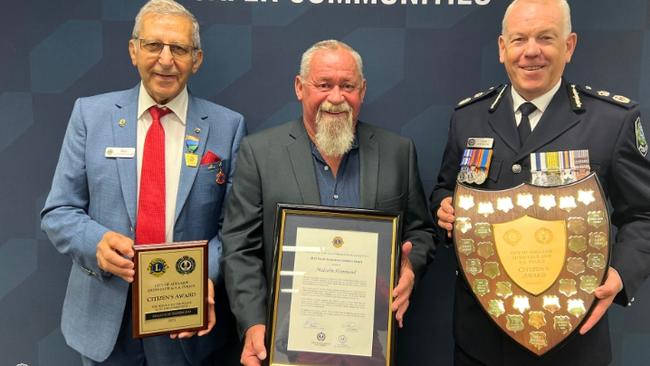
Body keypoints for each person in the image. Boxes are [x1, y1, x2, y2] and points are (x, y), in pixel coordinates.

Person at [431, 0, 650, 365]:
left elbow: (644, 213)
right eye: (519, 39)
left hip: (572, 340)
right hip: (481, 341)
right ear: (503, 49)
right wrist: (444, 210)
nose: (531, 52)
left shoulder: (611, 121)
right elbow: (445, 188)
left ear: (569, 45)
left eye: (546, 38)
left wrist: (622, 274)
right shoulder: (467, 118)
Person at [40, 0, 246, 365]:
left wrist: (204, 276)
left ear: (196, 59)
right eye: (153, 45)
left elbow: (233, 229)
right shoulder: (90, 116)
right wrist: (97, 243)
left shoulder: (228, 126)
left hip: (184, 318)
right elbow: (59, 211)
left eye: (179, 48)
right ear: (134, 50)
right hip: (105, 318)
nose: (166, 59)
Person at [221, 39, 435, 366]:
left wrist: (411, 270)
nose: (336, 98)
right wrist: (253, 321)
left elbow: (421, 232)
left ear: (362, 90)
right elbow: (240, 247)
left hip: (371, 342)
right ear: (299, 87)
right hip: (286, 345)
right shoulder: (259, 153)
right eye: (324, 85)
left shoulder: (398, 152)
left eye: (347, 86)